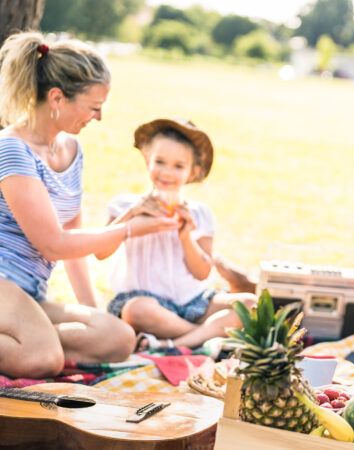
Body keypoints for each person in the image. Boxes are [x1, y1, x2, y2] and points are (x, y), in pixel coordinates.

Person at [0, 32, 178, 378]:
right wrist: (128, 229)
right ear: (57, 98)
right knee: (43, 360)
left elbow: (74, 238)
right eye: (93, 107)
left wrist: (93, 315)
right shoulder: (11, 150)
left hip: (28, 295)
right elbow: (52, 244)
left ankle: (32, 340)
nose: (98, 117)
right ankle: (36, 345)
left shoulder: (70, 150)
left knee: (117, 337)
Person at [98, 118, 257, 350]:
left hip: (193, 302)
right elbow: (101, 251)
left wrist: (185, 236)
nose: (167, 172)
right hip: (146, 305)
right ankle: (201, 337)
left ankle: (169, 342)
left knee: (250, 305)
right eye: (159, 162)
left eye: (178, 166)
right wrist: (132, 215)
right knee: (136, 310)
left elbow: (202, 273)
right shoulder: (124, 206)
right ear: (147, 160)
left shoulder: (200, 215)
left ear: (193, 172)